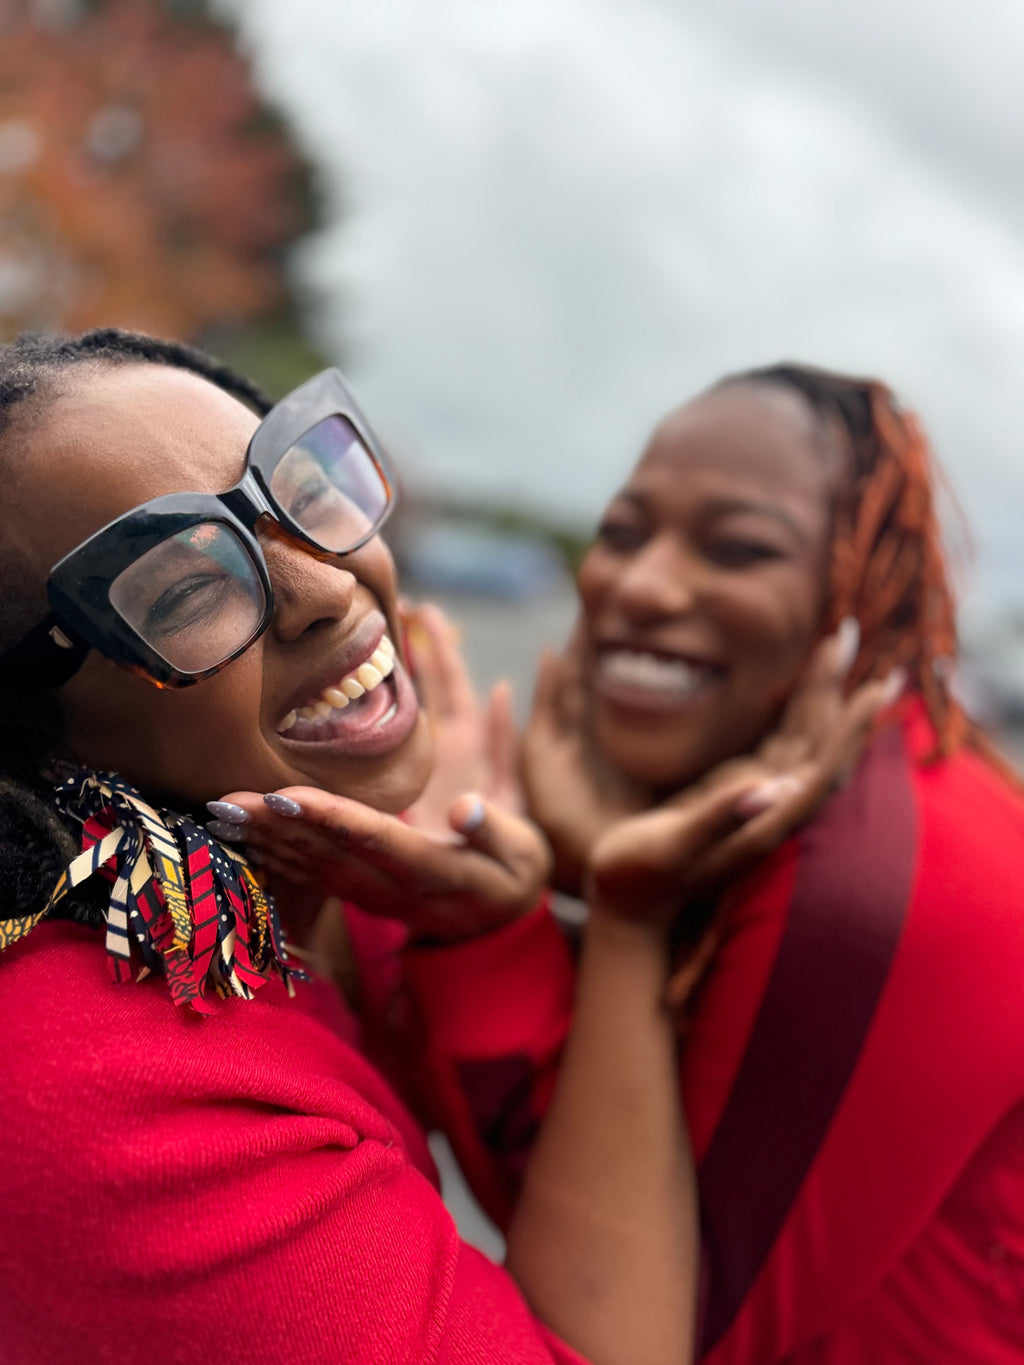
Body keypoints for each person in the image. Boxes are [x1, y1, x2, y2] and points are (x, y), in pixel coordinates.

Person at [0, 330, 872, 1365]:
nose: (329, 585)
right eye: (187, 591)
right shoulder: (107, 1100)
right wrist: (630, 920)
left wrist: (481, 917)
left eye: (298, 488)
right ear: (34, 723)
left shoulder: (283, 882)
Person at [511, 364, 1024, 1363]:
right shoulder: (819, 793)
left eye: (738, 549)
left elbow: (633, 1328)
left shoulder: (877, 880)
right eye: (621, 532)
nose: (644, 585)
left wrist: (482, 940)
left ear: (859, 603)